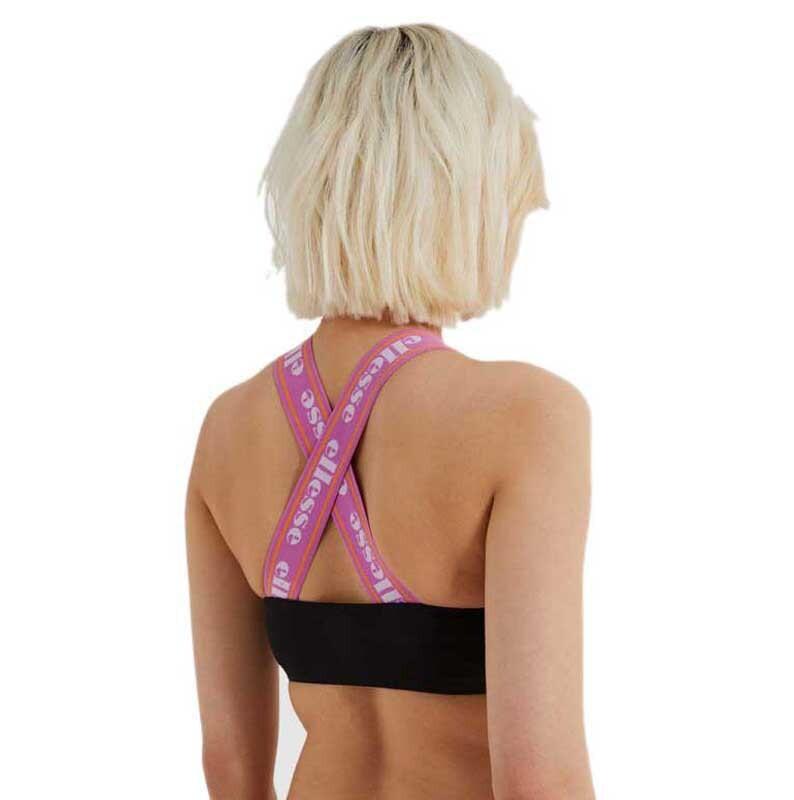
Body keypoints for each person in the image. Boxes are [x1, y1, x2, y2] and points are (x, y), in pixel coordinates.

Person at [186, 24, 594, 800]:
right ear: (467, 196)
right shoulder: (527, 416)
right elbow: (540, 779)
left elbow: (230, 765)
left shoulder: (228, 429)